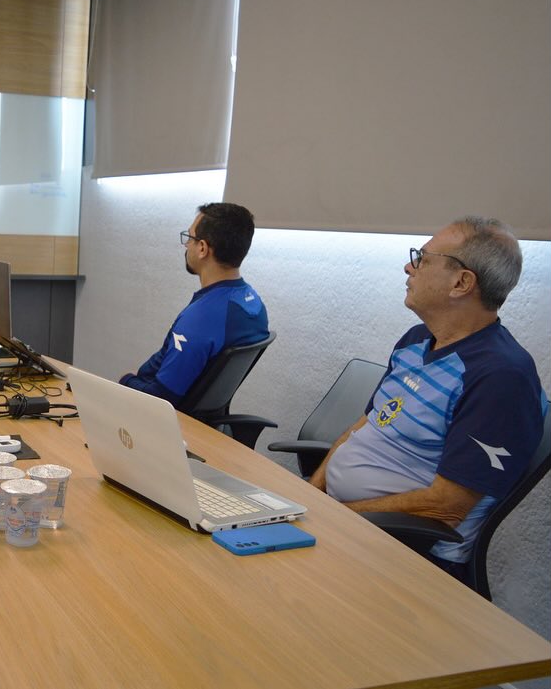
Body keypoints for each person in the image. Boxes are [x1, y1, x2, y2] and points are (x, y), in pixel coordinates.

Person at [310, 217, 546, 578]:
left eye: (422, 258)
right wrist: (311, 495)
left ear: (462, 282)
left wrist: (334, 517)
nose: (409, 266)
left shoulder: (501, 377)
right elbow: (368, 425)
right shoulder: (417, 339)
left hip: (406, 555)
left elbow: (447, 508)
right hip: (345, 522)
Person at [120, 202, 269, 408]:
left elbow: (162, 398)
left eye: (189, 238)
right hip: (205, 423)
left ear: (202, 248)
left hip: (171, 423)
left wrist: (125, 381)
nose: (186, 245)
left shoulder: (202, 318)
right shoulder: (255, 305)